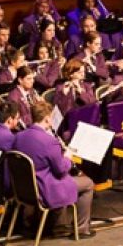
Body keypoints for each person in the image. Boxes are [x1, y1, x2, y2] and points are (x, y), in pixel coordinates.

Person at [13, 101, 96, 237]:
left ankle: (58, 224)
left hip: (26, 188)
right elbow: (61, 170)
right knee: (87, 183)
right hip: (45, 188)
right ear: (47, 118)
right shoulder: (49, 141)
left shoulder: (19, 137)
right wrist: (68, 157)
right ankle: (82, 229)